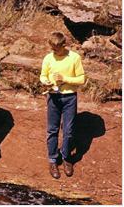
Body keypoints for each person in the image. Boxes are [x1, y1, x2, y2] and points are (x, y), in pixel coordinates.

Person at [40, 32, 85, 179]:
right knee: (52, 130)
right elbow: (43, 75)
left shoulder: (74, 58)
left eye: (56, 49)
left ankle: (66, 158)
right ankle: (53, 160)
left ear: (63, 45)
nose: (53, 52)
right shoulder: (48, 58)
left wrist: (65, 78)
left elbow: (81, 79)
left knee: (68, 130)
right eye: (52, 49)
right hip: (53, 97)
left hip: (69, 98)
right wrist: (45, 81)